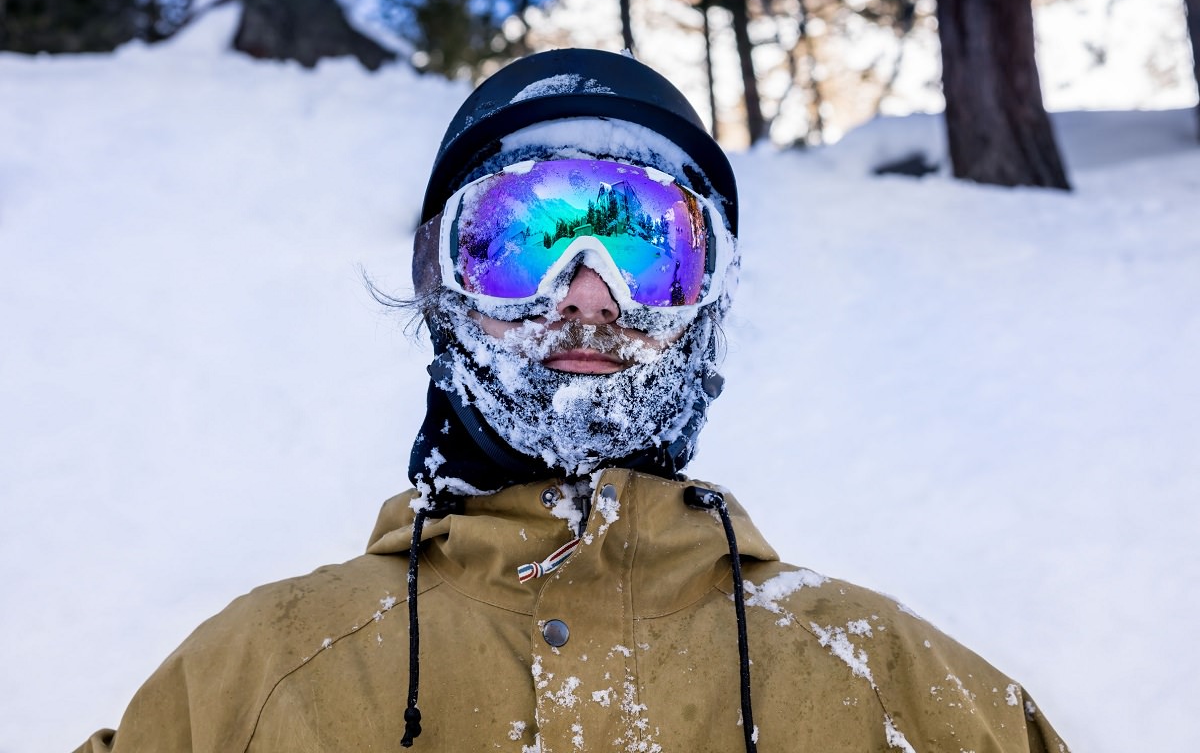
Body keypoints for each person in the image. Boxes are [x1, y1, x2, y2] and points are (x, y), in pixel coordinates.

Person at [76, 49, 1070, 753]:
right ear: (442, 291)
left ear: (708, 300)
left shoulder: (905, 687)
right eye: (519, 238)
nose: (588, 293)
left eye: (647, 244)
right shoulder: (248, 681)